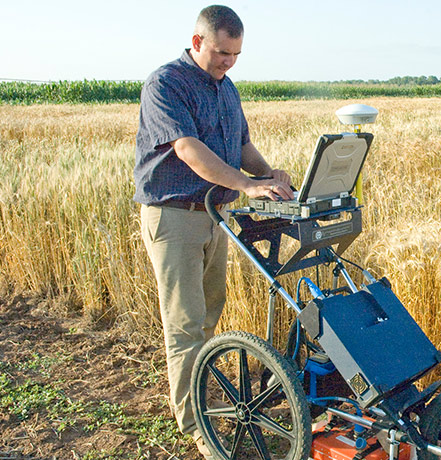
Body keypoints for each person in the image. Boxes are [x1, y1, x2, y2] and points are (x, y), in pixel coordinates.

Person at [133, 5, 293, 458]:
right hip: (175, 216)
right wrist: (246, 185)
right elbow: (187, 148)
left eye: (237, 55)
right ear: (198, 41)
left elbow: (240, 145)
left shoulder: (227, 88)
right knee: (185, 323)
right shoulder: (165, 83)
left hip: (214, 215)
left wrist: (270, 176)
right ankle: (195, 422)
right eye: (222, 53)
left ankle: (199, 397)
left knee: (207, 316)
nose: (228, 62)